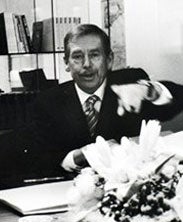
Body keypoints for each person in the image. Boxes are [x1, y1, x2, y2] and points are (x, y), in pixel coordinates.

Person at [27, 24, 183, 175]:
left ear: (109, 60)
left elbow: (178, 99)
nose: (87, 64)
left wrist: (149, 91)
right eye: (77, 57)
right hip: (72, 190)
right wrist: (81, 155)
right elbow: (41, 159)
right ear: (66, 63)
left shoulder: (130, 81)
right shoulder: (48, 101)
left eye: (94, 55)